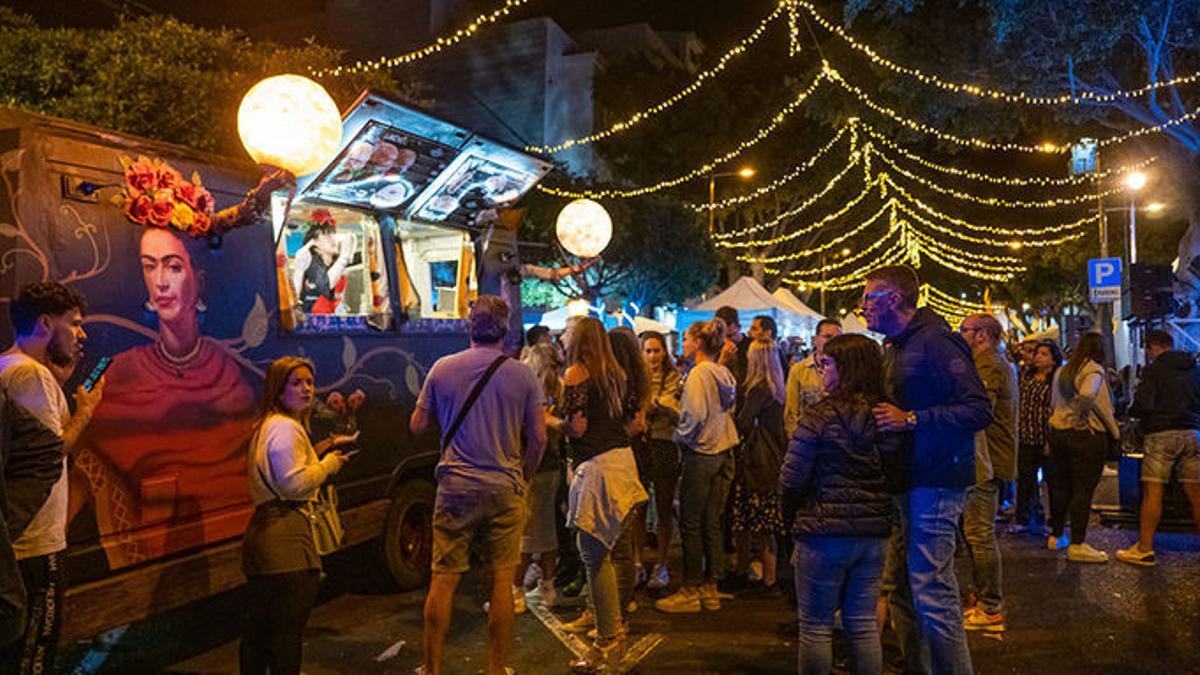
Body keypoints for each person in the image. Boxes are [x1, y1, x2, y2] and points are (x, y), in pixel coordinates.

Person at [72, 226, 258, 568]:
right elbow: (81, 410)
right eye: (149, 266)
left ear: (197, 279)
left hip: (230, 530)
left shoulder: (228, 370)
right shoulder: (114, 366)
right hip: (146, 541)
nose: (160, 281)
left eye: (173, 266)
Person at [861, 265, 991, 675]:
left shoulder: (936, 342)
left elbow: (978, 409)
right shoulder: (895, 345)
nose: (863, 306)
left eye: (868, 298)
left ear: (893, 300)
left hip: (935, 480)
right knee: (903, 585)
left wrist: (911, 419)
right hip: (905, 479)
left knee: (932, 588)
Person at [411, 296, 547, 675]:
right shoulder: (523, 375)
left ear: (468, 327)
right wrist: (524, 475)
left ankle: (431, 667)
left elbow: (417, 425)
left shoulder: (442, 369)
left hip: (454, 487)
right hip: (504, 487)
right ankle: (496, 668)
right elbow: (538, 438)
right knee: (502, 581)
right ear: (505, 331)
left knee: (443, 579)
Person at [0, 282, 103, 675]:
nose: (82, 334)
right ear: (44, 323)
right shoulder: (29, 375)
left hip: (17, 542)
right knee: (35, 652)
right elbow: (50, 452)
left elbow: (28, 446)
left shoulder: (11, 369)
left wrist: (58, 381)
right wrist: (85, 412)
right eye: (74, 324)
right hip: (35, 545)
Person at [782, 333, 897, 675]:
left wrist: (790, 517)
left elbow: (792, 477)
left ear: (846, 368)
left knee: (815, 626)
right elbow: (895, 471)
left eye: (826, 363)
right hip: (872, 532)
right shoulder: (887, 416)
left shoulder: (818, 416)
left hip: (822, 531)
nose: (821, 371)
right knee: (861, 624)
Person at [240, 357, 352, 675]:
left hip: (263, 538)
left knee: (258, 635)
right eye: (296, 383)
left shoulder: (268, 425)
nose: (306, 389)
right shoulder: (286, 429)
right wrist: (329, 465)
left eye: (309, 382)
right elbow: (293, 484)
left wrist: (316, 454)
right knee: (286, 636)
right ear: (278, 390)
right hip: (286, 544)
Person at [557, 318, 647, 670]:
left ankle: (607, 639)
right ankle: (612, 633)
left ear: (578, 340)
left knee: (595, 557)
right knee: (609, 554)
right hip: (622, 463)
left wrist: (552, 422)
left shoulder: (577, 373)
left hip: (596, 469)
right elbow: (632, 422)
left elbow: (576, 427)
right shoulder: (618, 375)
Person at [655, 319, 739, 614]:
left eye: (687, 339)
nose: (683, 344)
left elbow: (695, 416)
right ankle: (711, 587)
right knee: (711, 521)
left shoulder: (699, 374)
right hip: (723, 450)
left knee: (690, 521)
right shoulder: (722, 372)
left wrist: (679, 433)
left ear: (698, 343)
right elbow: (728, 408)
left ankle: (690, 587)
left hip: (701, 453)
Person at [1117, 330, 1200, 566]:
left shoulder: (1153, 371)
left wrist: (1134, 413)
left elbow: (1143, 404)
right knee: (1196, 493)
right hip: (1193, 433)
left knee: (1154, 492)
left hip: (1161, 434)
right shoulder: (1194, 369)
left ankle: (1144, 548)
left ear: (1153, 348)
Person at [956, 313, 1017, 634]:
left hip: (988, 459)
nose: (960, 335)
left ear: (981, 335)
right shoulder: (990, 362)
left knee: (979, 534)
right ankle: (981, 597)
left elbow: (979, 411)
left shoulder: (989, 365)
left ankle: (990, 605)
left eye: (964, 330)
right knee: (973, 533)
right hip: (986, 458)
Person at [1046, 332, 1118, 563]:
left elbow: (1053, 402)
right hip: (1086, 436)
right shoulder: (1093, 369)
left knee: (1060, 487)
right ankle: (1078, 543)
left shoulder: (1062, 371)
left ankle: (1056, 536)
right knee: (1082, 490)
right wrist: (1080, 416)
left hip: (1058, 433)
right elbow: (1088, 393)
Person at [730, 338, 787, 596]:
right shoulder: (777, 389)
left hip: (757, 462)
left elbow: (742, 423)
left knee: (753, 522)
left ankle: (764, 579)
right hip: (773, 460)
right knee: (765, 522)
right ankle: (766, 576)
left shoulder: (758, 390)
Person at [515, 343, 565, 609]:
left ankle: (516, 592)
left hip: (533, 467)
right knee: (546, 528)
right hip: (553, 467)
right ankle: (548, 586)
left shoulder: (532, 395)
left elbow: (536, 438)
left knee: (525, 533)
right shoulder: (559, 389)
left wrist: (524, 471)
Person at [605, 327, 649, 609]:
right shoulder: (639, 377)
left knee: (618, 534)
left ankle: (622, 601)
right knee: (629, 525)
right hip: (638, 454)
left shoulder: (620, 380)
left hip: (622, 455)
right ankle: (627, 590)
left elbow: (637, 423)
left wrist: (609, 437)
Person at [639, 331, 682, 591]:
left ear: (664, 352)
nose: (653, 356)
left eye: (657, 350)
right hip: (642, 445)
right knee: (639, 507)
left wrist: (662, 407)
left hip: (665, 443)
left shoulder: (674, 378)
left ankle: (661, 564)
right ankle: (637, 562)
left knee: (664, 507)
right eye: (648, 351)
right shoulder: (636, 380)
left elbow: (678, 413)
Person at [1013, 341, 1061, 535]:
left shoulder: (1056, 380)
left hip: (1046, 437)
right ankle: (1023, 517)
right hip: (1026, 436)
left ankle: (1053, 520)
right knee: (1025, 479)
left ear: (1053, 358)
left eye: (1044, 354)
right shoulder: (1027, 376)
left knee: (1052, 482)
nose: (1038, 357)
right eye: (1037, 353)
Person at [786, 320, 842, 437]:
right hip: (808, 438)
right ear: (815, 340)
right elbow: (792, 411)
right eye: (827, 337)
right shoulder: (799, 370)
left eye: (838, 338)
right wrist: (795, 438)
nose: (833, 342)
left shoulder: (845, 368)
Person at [293, 218, 356, 315]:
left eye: (332, 233)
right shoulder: (312, 263)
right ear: (315, 245)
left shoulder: (334, 265)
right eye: (326, 235)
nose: (332, 238)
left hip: (332, 318)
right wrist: (344, 256)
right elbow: (325, 285)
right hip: (314, 321)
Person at [715, 306, 748, 387]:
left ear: (739, 327)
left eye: (730, 336)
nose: (726, 341)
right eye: (722, 336)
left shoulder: (751, 346)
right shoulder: (716, 347)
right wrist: (723, 360)